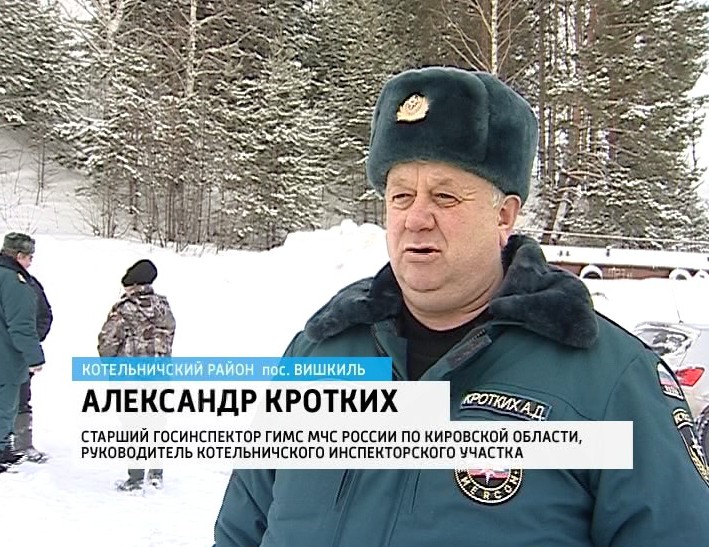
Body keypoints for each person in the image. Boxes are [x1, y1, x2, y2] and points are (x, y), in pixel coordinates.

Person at [212, 67, 709, 545]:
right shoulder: (317, 354)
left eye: (445, 197)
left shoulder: (610, 383)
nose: (416, 218)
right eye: (401, 196)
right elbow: (240, 531)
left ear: (504, 216)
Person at [97, 259, 175, 491]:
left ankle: (136, 476)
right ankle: (156, 473)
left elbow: (107, 343)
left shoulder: (124, 309)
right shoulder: (163, 307)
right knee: (157, 423)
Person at [4, 233, 54, 463]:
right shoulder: (17, 282)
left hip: (18, 352)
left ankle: (20, 444)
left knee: (19, 398)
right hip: (12, 354)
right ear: (18, 256)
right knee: (13, 398)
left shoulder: (29, 283)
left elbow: (44, 315)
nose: (31, 262)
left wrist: (33, 340)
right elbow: (24, 323)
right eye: (29, 257)